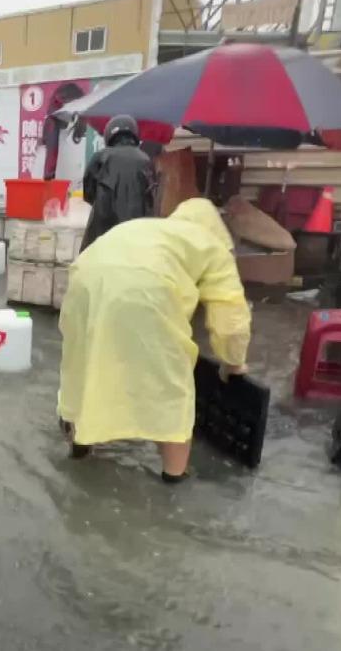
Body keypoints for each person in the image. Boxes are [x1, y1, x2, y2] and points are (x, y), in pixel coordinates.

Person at [57, 198, 251, 483]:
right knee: (171, 389)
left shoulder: (148, 228)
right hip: (147, 290)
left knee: (86, 366)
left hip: (84, 279)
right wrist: (232, 364)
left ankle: (80, 448)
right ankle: (174, 479)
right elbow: (232, 323)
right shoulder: (213, 247)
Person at [80, 114, 156, 252]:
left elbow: (88, 193)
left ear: (109, 135)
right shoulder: (146, 160)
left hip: (103, 229)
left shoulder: (100, 157)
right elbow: (151, 198)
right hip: (138, 232)